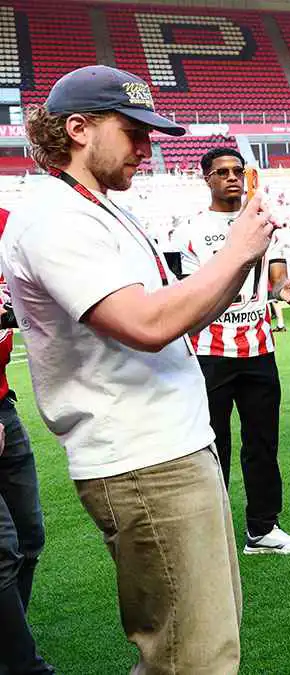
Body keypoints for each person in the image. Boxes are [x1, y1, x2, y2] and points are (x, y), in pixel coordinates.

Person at [1, 65, 275, 672]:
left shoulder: (95, 207)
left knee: (206, 644)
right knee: (190, 658)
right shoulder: (55, 217)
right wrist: (236, 250)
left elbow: (181, 315)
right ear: (79, 129)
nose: (147, 150)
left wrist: (238, 261)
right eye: (133, 132)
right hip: (142, 458)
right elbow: (147, 324)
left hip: (170, 444)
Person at [175, 147, 290, 555]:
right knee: (212, 447)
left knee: (262, 444)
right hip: (209, 351)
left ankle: (263, 530)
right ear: (207, 178)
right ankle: (211, 535)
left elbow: (276, 276)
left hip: (259, 350)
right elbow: (186, 291)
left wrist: (282, 288)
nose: (231, 177)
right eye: (222, 172)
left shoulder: (264, 225)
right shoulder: (188, 231)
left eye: (237, 171)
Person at [0, 208, 53, 675]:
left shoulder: (10, 226)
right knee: (2, 547)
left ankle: (10, 643)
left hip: (4, 407)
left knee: (29, 536)